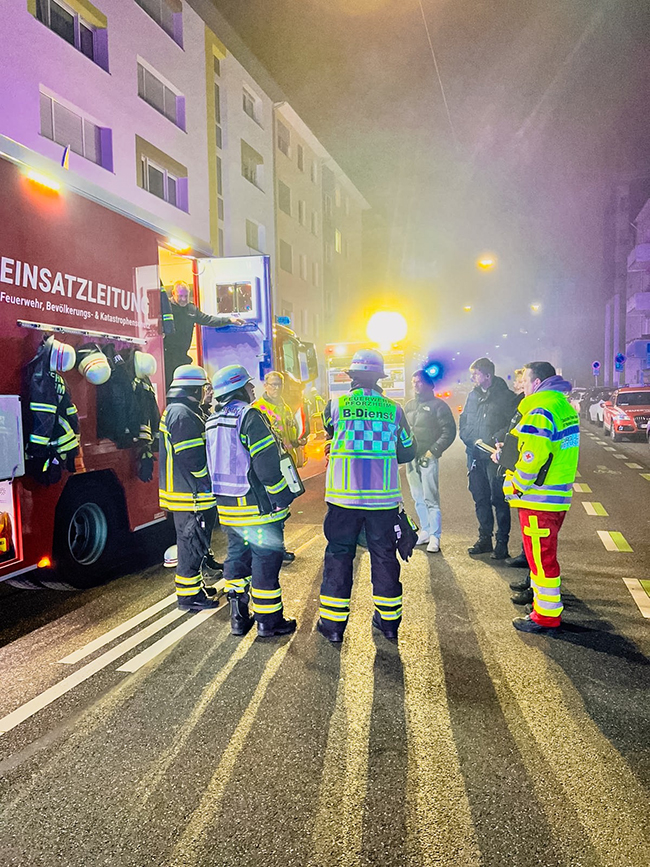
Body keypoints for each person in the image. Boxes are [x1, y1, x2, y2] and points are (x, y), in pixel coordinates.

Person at [316, 349, 416, 643]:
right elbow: (408, 450)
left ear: (352, 377)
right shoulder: (394, 410)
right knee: (384, 557)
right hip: (382, 501)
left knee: (339, 557)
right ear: (379, 378)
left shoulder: (335, 405)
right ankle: (389, 622)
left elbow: (331, 431)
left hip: (343, 499)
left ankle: (333, 626)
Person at [206, 364, 297, 638]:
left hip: (228, 509)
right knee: (266, 560)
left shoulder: (212, 421)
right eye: (248, 385)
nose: (252, 389)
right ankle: (269, 622)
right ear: (238, 389)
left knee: (236, 557)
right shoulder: (250, 416)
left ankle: (238, 617)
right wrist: (281, 496)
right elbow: (267, 466)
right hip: (257, 508)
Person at [502, 361, 579, 634]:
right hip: (556, 496)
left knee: (542, 560)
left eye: (524, 382)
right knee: (542, 558)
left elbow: (532, 458)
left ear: (536, 383)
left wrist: (515, 485)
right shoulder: (562, 406)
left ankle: (545, 617)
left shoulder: (540, 410)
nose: (521, 387)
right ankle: (542, 605)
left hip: (539, 499)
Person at [159, 365, 219, 610]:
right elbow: (191, 456)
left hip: (189, 492)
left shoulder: (183, 411)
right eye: (205, 387)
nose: (208, 392)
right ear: (194, 389)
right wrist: (207, 480)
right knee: (191, 545)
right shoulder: (182, 414)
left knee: (195, 544)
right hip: (190, 494)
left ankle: (195, 588)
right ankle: (189, 596)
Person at [459, 357, 518, 559]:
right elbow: (464, 421)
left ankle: (502, 543)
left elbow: (512, 425)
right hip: (475, 455)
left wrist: (495, 439)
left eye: (475, 374)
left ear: (487, 375)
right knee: (480, 498)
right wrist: (468, 437)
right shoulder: (472, 396)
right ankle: (485, 539)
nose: (472, 378)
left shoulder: (505, 397)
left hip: (494, 457)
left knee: (499, 500)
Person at [253, 370, 306, 563]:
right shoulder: (258, 409)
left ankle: (275, 548)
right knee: (273, 509)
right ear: (265, 386)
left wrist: (297, 442)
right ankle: (272, 550)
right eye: (272, 384)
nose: (276, 388)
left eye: (279, 384)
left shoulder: (284, 407)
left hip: (284, 465)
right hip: (269, 466)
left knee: (281, 509)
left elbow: (288, 433)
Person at [404, 369, 457, 553]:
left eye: (419, 382)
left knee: (431, 498)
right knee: (417, 497)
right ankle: (425, 530)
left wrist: (433, 451)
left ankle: (435, 535)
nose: (415, 385)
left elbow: (449, 431)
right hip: (411, 458)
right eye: (413, 382)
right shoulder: (409, 405)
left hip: (428, 458)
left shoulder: (439, 406)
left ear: (428, 383)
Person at [163, 281, 245, 390]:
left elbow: (208, 319)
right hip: (167, 357)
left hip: (182, 357)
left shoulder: (191, 309)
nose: (183, 299)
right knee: (169, 387)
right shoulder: (166, 308)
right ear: (173, 293)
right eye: (180, 296)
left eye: (186, 296)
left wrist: (229, 320)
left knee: (184, 387)